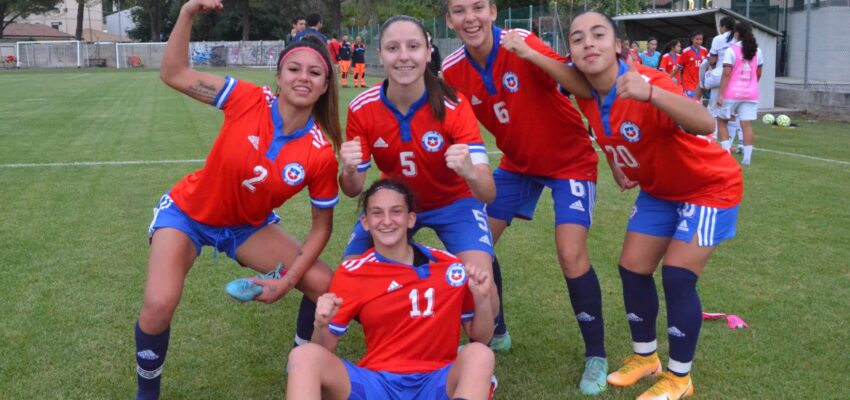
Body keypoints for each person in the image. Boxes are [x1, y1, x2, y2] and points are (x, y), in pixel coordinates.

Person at [503, 10, 743, 400]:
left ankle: (680, 378)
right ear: (573, 53)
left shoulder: (646, 81)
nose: (588, 43)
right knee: (633, 267)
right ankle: (646, 358)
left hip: (708, 186)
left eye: (598, 35)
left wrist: (652, 93)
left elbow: (704, 122)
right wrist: (618, 164)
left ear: (617, 45)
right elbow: (600, 118)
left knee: (678, 275)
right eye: (578, 39)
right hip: (660, 190)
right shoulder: (589, 93)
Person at [134, 0, 342, 398]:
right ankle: (148, 394)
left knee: (323, 284)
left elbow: (322, 228)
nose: (303, 78)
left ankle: (301, 360)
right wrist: (187, 13)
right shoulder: (247, 98)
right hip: (188, 213)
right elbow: (173, 73)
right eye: (294, 69)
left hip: (247, 227)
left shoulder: (319, 153)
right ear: (278, 76)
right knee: (159, 304)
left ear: (326, 84)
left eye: (315, 72)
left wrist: (287, 282)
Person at [442, 0, 608, 394]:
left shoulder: (521, 41)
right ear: (449, 20)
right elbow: (442, 119)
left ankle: (596, 355)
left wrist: (531, 54)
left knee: (570, 254)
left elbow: (582, 86)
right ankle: (497, 330)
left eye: (478, 7)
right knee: (477, 241)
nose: (470, 17)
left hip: (570, 161)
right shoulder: (451, 70)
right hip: (517, 164)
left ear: (493, 11)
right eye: (459, 10)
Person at [339, 15, 499, 318]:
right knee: (348, 278)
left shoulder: (454, 105)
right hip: (396, 204)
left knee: (483, 287)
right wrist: (348, 170)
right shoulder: (361, 108)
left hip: (455, 203)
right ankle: (397, 333)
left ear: (427, 52)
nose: (403, 57)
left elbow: (488, 193)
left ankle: (482, 353)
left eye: (413, 46)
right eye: (393, 48)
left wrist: (468, 172)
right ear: (381, 54)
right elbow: (353, 189)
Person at [286, 179, 497, 400]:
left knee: (480, 354)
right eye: (377, 213)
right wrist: (322, 324)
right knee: (304, 356)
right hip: (378, 384)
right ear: (365, 222)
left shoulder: (449, 267)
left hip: (437, 381)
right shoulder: (353, 272)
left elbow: (480, 337)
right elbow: (324, 349)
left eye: (396, 211)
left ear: (410, 219)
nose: (387, 221)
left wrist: (482, 299)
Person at [717, 21, 763, 165]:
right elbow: (759, 73)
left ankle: (725, 156)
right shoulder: (758, 51)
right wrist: (750, 85)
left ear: (737, 34)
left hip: (732, 93)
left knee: (722, 121)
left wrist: (721, 94)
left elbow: (726, 74)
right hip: (750, 94)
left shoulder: (731, 50)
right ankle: (747, 159)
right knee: (746, 125)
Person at [705, 16, 741, 149]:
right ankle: (729, 145)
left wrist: (709, 64)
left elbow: (712, 60)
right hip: (736, 78)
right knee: (731, 113)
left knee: (712, 109)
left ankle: (711, 140)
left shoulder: (718, 39)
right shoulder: (738, 39)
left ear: (723, 26)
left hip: (720, 76)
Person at [673, 31, 708, 99]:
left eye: (701, 39)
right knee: (691, 103)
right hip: (688, 83)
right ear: (692, 39)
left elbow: (708, 65)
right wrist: (669, 77)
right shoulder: (686, 51)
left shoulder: (705, 50)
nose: (699, 41)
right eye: (697, 39)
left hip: (700, 83)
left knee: (698, 104)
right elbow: (678, 67)